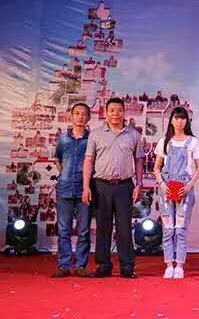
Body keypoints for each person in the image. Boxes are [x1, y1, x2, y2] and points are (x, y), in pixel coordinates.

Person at [82, 97, 145, 278]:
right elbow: (89, 160)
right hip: (101, 186)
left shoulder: (134, 135)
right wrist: (86, 186)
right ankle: (103, 265)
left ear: (124, 113)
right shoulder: (96, 134)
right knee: (103, 227)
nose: (115, 114)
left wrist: (139, 184)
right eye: (112, 110)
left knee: (124, 227)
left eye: (119, 110)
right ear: (106, 113)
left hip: (125, 186)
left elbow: (139, 160)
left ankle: (127, 266)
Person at [153, 106, 199, 279]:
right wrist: (161, 184)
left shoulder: (193, 142)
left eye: (183, 118)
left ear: (187, 121)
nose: (180, 121)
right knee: (168, 228)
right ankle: (169, 265)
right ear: (171, 120)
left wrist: (189, 185)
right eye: (177, 118)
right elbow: (157, 167)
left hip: (185, 190)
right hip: (166, 189)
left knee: (181, 228)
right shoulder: (164, 141)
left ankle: (180, 265)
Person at [52, 103, 91, 278]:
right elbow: (57, 159)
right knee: (64, 230)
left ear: (88, 118)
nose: (80, 117)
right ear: (71, 116)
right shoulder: (63, 139)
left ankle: (81, 265)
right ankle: (64, 265)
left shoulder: (91, 140)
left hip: (84, 190)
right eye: (77, 113)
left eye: (84, 114)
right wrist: (65, 175)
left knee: (83, 230)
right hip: (64, 189)